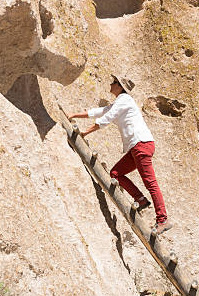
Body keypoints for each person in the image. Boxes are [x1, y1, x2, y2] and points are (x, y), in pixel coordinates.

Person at [68, 74, 172, 236]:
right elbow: (101, 111)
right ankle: (141, 200)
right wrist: (74, 115)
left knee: (150, 183)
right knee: (116, 173)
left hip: (141, 145)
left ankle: (162, 220)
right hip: (137, 146)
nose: (111, 83)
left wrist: (85, 132)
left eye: (114, 82)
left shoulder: (124, 99)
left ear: (120, 87)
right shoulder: (120, 102)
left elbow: (107, 118)